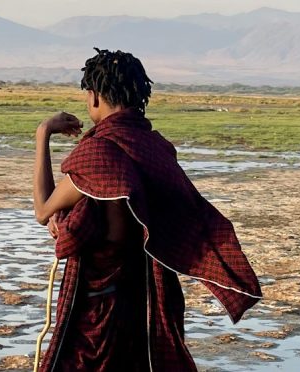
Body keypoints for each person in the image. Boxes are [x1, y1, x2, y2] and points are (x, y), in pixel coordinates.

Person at [31, 48, 262, 371]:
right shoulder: (156, 149)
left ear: (95, 96)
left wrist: (43, 134)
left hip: (100, 305)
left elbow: (43, 210)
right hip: (148, 299)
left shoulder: (99, 153)